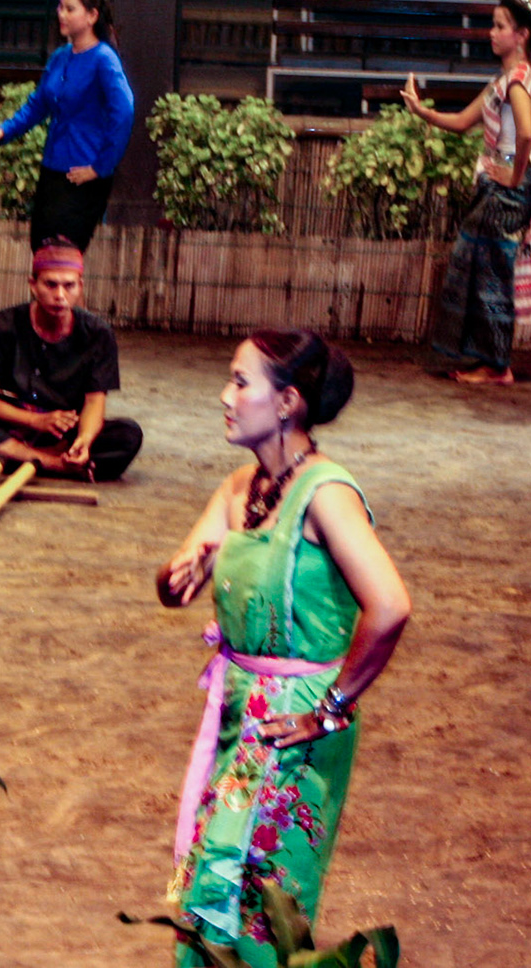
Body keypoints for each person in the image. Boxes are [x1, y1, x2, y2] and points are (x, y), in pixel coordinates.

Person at [156, 329, 410, 966]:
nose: (226, 396)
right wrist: (179, 574)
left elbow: (390, 607)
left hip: (294, 725)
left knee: (261, 893)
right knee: (218, 878)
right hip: (241, 708)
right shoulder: (241, 488)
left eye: (241, 383)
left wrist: (329, 710)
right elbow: (174, 582)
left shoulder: (326, 495)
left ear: (289, 401)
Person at [402, 0, 531, 384]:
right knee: (473, 267)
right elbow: (460, 122)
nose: (492, 32)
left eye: (499, 25)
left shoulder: (518, 78)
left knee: (490, 273)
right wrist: (421, 111)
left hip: (508, 188)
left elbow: (524, 133)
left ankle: (496, 366)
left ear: (521, 35)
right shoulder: (503, 80)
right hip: (500, 185)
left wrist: (513, 173)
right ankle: (484, 358)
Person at [0, 239, 142, 480]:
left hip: (63, 434)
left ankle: (10, 459)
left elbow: (94, 403)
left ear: (80, 287)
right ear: (33, 285)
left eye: (69, 286)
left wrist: (84, 439)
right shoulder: (1, 326)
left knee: (128, 434)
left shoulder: (98, 334)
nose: (60, 295)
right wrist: (36, 420)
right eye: (50, 285)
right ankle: (53, 465)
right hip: (10, 425)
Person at [0, 0, 134, 250]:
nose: (61, 14)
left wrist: (101, 167)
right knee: (41, 252)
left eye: (69, 8)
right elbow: (38, 104)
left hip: (83, 173)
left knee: (64, 258)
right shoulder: (60, 57)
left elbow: (124, 112)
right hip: (53, 169)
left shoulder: (104, 59)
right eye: (60, 7)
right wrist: (2, 131)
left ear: (91, 16)